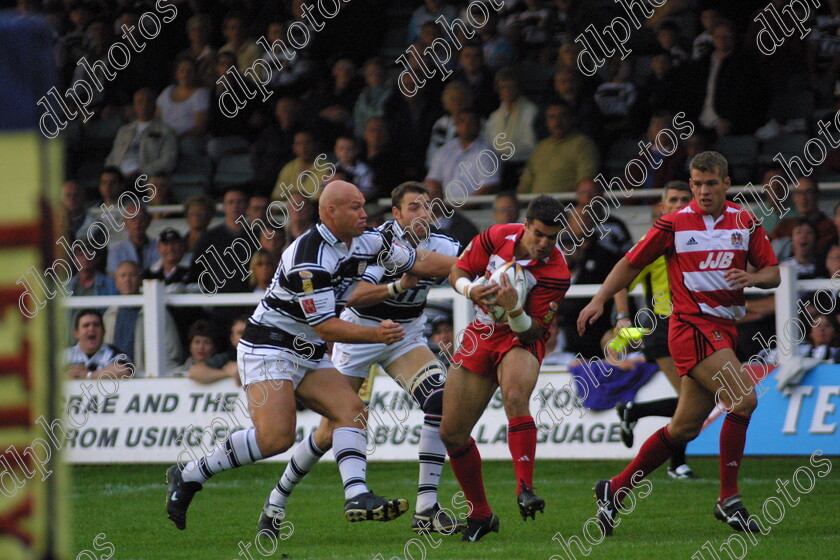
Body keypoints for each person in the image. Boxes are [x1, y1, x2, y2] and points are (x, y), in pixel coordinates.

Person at [165, 181, 458, 533]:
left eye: (364, 205)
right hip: (270, 347)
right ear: (330, 212)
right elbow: (328, 328)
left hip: (307, 349)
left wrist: (477, 263)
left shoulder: (367, 239)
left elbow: (417, 261)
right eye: (355, 207)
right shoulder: (309, 259)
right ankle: (190, 473)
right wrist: (376, 334)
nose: (364, 214)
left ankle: (357, 495)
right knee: (276, 438)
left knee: (352, 412)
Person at [577, 152, 780, 536]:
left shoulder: (745, 221)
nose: (703, 191)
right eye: (697, 184)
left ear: (726, 183)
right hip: (689, 327)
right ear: (691, 185)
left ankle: (615, 489)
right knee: (744, 399)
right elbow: (630, 264)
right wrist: (600, 298)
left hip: (723, 329)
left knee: (684, 428)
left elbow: (773, 274)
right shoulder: (673, 225)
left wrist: (752, 278)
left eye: (711, 183)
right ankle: (729, 499)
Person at [261, 182, 462, 534]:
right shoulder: (378, 243)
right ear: (396, 214)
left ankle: (427, 508)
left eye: (427, 207)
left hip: (404, 335)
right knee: (329, 432)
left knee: (440, 400)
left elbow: (463, 268)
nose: (423, 214)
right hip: (360, 334)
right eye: (413, 207)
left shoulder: (444, 244)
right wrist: (398, 285)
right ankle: (277, 499)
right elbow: (354, 295)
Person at [440, 195, 570, 542]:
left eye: (552, 238)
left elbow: (534, 330)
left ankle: (525, 487)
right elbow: (458, 271)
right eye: (539, 234)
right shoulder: (497, 235)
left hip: (521, 337)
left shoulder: (557, 272)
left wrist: (514, 309)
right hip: (481, 333)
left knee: (515, 396)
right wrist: (472, 290)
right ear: (525, 225)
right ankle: (481, 515)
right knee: (451, 433)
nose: (545, 244)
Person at [611, 181, 697, 479]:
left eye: (685, 199)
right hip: (662, 326)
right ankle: (677, 465)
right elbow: (621, 279)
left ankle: (633, 411)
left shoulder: (699, 238)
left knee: (696, 399)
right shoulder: (652, 242)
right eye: (673, 199)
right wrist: (623, 316)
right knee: (689, 399)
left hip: (694, 326)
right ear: (662, 208)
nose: (679, 203)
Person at [103, 261, 183, 376]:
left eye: (132, 275)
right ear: (116, 282)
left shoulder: (155, 310)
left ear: (140, 280)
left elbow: (172, 352)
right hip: (115, 379)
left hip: (146, 379)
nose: (127, 280)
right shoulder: (110, 314)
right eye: (123, 276)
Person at [518, 101, 599, 193]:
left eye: (562, 116)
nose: (557, 121)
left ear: (571, 118)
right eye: (552, 117)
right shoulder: (540, 148)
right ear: (547, 122)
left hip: (567, 204)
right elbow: (525, 184)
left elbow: (585, 182)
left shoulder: (583, 144)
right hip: (536, 205)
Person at [425, 109, 500, 198]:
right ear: (456, 125)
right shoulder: (445, 150)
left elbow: (489, 186)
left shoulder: (487, 152)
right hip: (447, 207)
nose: (466, 126)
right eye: (462, 122)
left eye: (471, 123)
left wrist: (462, 206)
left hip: (477, 209)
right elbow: (433, 180)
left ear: (479, 126)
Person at [105, 88, 177, 179]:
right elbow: (112, 157)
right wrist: (113, 173)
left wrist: (141, 172)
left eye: (148, 101)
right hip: (118, 179)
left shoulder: (165, 131)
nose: (144, 105)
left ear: (155, 105)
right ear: (134, 106)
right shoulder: (124, 130)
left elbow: (168, 161)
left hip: (144, 179)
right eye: (140, 101)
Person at [65, 309, 133, 380]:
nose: (91, 328)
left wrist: (89, 375)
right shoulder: (65, 355)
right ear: (77, 333)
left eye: (96, 325)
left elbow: (125, 371)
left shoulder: (113, 353)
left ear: (103, 331)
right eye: (86, 325)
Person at [187, 315, 247, 384]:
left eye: (248, 333)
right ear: (232, 339)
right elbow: (194, 372)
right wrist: (226, 373)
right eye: (240, 333)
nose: (245, 336)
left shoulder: (262, 356)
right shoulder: (227, 357)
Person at [107, 203, 159, 275]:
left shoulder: (159, 248)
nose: (137, 223)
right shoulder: (116, 252)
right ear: (124, 223)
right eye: (133, 219)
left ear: (148, 222)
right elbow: (116, 277)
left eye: (141, 219)